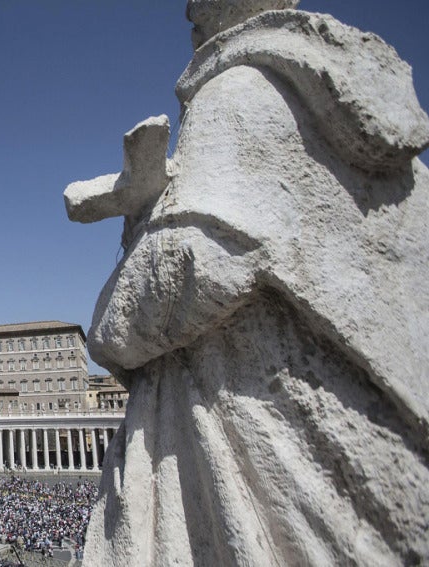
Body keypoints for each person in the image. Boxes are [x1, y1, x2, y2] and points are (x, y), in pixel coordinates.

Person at [67, 1, 429, 564]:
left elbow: (188, 268)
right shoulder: (319, 101)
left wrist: (107, 321)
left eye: (196, 6)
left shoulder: (238, 90)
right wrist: (148, 209)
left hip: (270, 439)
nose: (187, 14)